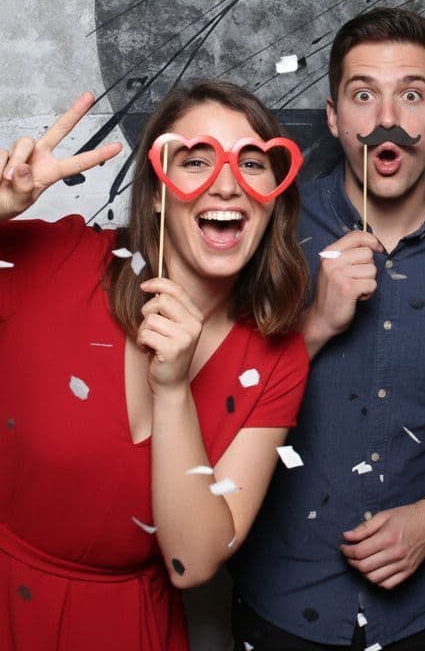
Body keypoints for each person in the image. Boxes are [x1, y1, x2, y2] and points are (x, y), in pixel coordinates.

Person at [232, 8, 425, 651]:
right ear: (334, 117)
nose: (388, 118)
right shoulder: (268, 235)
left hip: (422, 609)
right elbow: (212, 401)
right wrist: (314, 325)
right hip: (280, 598)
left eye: (411, 95)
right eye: (363, 95)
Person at [0, 82, 309, 651]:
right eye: (196, 160)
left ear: (274, 197)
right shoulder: (61, 260)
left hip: (128, 628)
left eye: (251, 163)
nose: (226, 184)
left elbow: (191, 564)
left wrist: (172, 392)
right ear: (159, 193)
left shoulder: (276, 356)